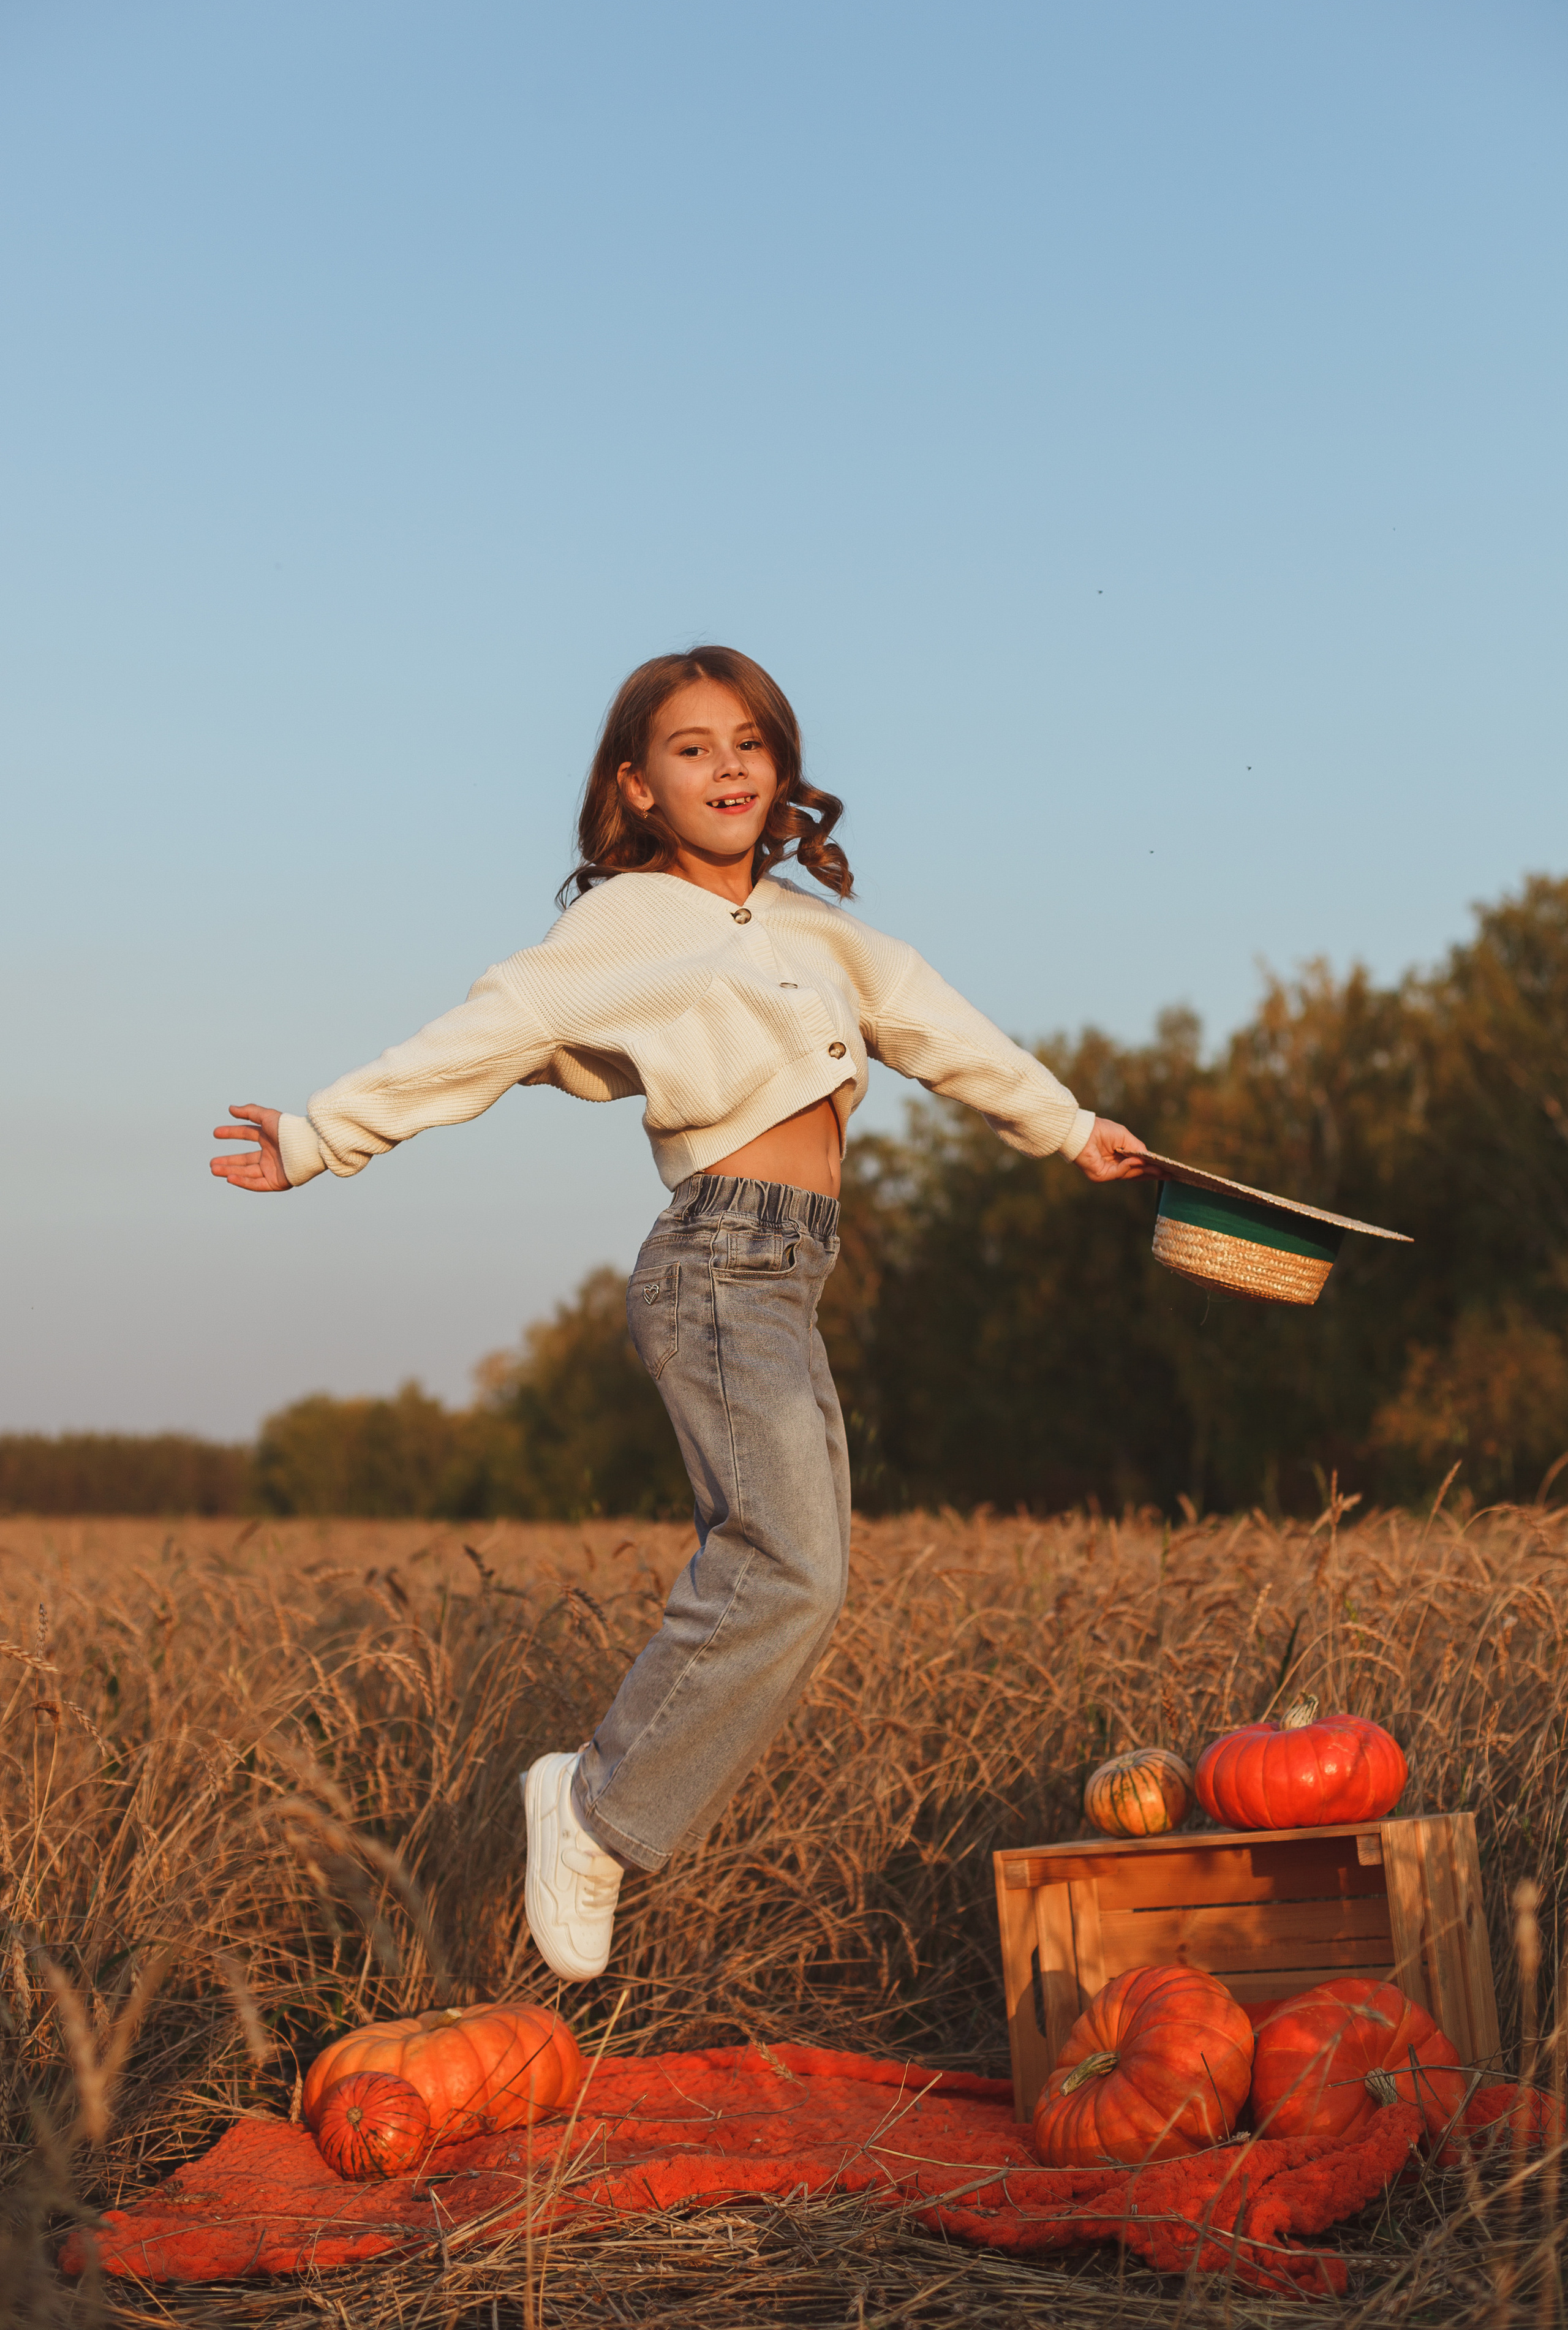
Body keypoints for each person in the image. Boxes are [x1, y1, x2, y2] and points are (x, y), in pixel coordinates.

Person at [211, 645, 1150, 1982]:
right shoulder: (626, 925)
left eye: (749, 743)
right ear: (637, 786)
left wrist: (1066, 1131)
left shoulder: (820, 933)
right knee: (788, 1561)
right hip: (716, 1268)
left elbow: (945, 1030)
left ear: (781, 772)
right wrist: (320, 1137)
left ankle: (596, 1805)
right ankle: (591, 1811)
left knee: (800, 1578)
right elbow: (490, 1032)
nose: (726, 767)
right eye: (692, 747)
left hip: (786, 1277)